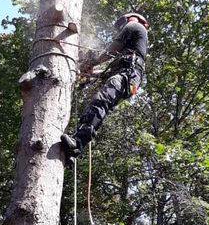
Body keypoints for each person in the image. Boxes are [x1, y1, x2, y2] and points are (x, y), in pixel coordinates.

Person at [61, 12, 149, 160]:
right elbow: (106, 73)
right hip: (128, 76)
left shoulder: (134, 25)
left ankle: (77, 143)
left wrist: (91, 63)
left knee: (100, 101)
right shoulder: (127, 55)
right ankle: (72, 152)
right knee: (99, 103)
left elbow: (112, 49)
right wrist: (89, 74)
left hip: (128, 75)